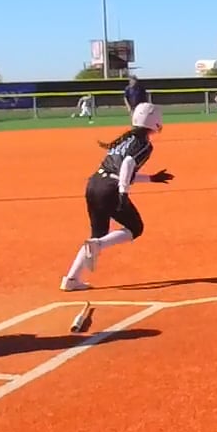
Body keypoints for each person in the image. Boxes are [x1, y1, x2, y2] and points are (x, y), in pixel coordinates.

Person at [61, 102, 171, 291]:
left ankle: (71, 279)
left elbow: (121, 171)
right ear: (154, 121)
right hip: (109, 189)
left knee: (97, 235)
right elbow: (127, 164)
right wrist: (123, 192)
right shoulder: (144, 144)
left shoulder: (124, 140)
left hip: (94, 184)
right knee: (135, 228)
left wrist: (151, 178)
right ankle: (98, 244)